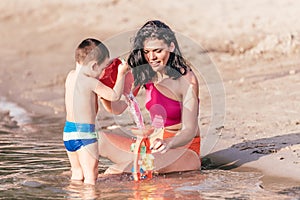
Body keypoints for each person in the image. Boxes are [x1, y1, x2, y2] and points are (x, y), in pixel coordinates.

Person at [99, 20, 201, 174]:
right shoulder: (145, 73)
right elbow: (117, 108)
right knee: (97, 141)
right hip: (151, 145)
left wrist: (168, 142)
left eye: (158, 51)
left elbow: (189, 130)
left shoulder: (187, 80)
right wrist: (104, 91)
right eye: (146, 52)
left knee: (115, 172)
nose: (151, 57)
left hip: (182, 151)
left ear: (171, 47)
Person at [63, 38, 128, 185]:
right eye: (103, 68)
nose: (103, 73)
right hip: (85, 133)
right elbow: (114, 95)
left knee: (77, 174)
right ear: (93, 66)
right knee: (91, 178)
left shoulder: (70, 76)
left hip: (68, 133)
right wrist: (121, 74)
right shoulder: (90, 82)